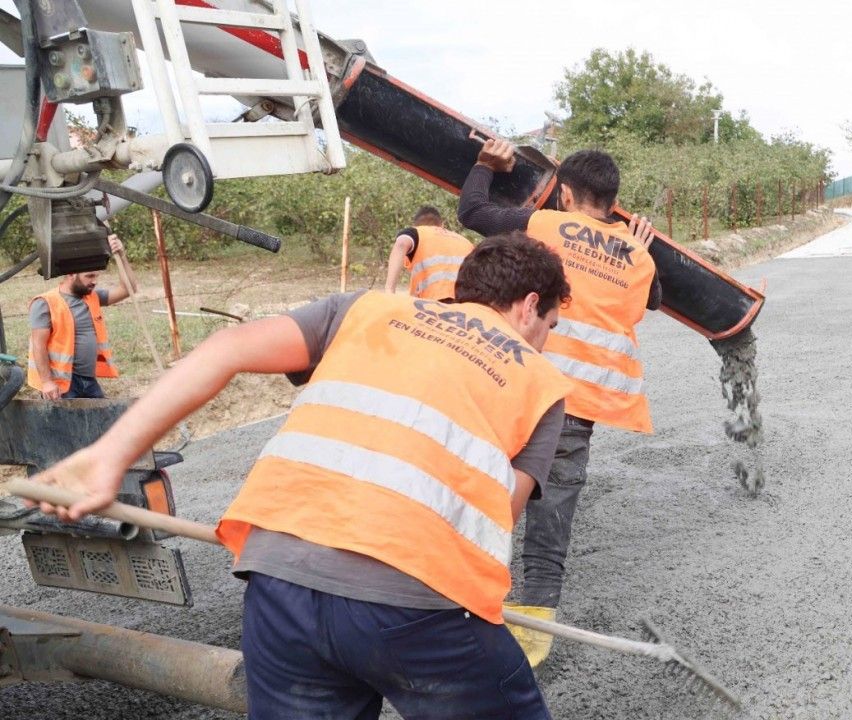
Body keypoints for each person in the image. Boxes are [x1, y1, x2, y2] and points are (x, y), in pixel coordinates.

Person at [29, 233, 574, 719]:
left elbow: (228, 348)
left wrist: (110, 456)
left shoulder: (368, 308)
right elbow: (497, 517)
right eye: (550, 326)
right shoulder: (540, 381)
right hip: (417, 602)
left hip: (279, 581)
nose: (545, 339)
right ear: (530, 307)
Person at [458, 139, 660, 666]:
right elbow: (653, 299)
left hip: (518, 384)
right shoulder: (638, 255)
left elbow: (473, 212)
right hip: (577, 404)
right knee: (551, 514)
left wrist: (485, 166)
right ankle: (534, 635)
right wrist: (637, 244)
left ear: (565, 195)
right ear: (613, 201)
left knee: (473, 480)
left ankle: (448, 594)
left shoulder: (544, 226)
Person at [27, 233, 136, 399]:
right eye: (89, 276)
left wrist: (121, 255)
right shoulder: (45, 303)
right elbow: (38, 345)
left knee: (103, 422)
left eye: (96, 275)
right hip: (62, 385)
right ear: (71, 274)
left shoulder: (91, 297)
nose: (95, 281)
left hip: (89, 381)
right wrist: (47, 382)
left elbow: (128, 289)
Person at [383, 204, 474, 300]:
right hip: (466, 304)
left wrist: (389, 290)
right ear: (442, 225)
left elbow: (401, 243)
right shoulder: (465, 241)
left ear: (415, 225)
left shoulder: (416, 233)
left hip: (434, 302)